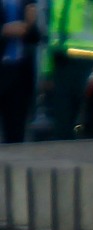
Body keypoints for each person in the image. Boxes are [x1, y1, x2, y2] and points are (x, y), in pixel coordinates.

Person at [42, 0, 93, 139]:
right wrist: (47, 71)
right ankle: (63, 157)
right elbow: (53, 33)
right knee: (62, 121)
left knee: (91, 118)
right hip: (63, 61)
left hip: (91, 59)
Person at [0, 0, 40, 143]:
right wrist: (3, 31)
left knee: (16, 132)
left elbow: (35, 38)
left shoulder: (26, 2)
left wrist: (31, 25)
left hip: (19, 73)